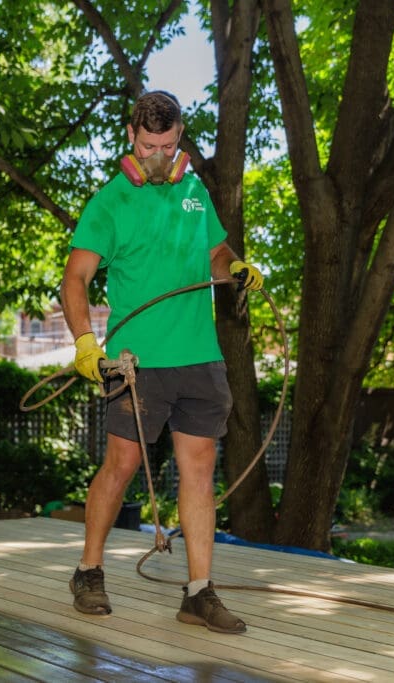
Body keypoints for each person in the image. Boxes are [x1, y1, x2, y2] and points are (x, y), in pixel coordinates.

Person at [60, 90, 263, 634]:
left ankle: (198, 592)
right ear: (131, 136)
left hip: (199, 358)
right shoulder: (110, 202)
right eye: (149, 145)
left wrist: (235, 265)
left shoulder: (195, 192)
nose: (157, 157)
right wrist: (85, 343)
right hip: (137, 365)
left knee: (199, 473)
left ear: (180, 140)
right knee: (121, 467)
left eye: (168, 145)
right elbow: (73, 279)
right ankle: (89, 570)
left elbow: (215, 254)